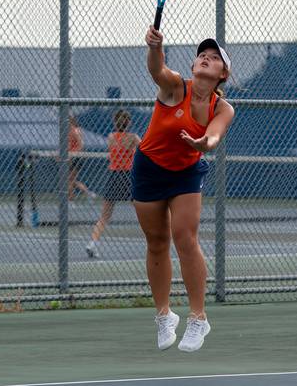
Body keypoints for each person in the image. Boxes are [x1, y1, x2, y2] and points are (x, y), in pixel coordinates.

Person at [133, 26, 235, 352]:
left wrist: (205, 142)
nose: (206, 58)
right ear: (193, 67)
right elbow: (156, 69)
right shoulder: (176, 87)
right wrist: (155, 47)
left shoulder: (223, 108)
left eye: (214, 57)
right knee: (157, 240)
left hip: (187, 172)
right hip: (148, 168)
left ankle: (198, 318)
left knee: (184, 237)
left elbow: (215, 135)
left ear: (223, 73)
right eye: (202, 55)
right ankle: (164, 315)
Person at [86, 110, 140, 258]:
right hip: (128, 177)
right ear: (128, 123)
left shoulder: (111, 137)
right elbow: (144, 151)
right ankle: (156, 240)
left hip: (114, 176)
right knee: (143, 212)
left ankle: (92, 243)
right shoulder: (133, 138)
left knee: (104, 217)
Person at [68, 116, 96, 200]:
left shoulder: (75, 130)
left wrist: (72, 155)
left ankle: (70, 199)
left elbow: (81, 145)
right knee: (70, 180)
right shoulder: (68, 131)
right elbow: (69, 146)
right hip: (71, 156)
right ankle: (87, 193)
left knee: (69, 180)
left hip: (76, 157)